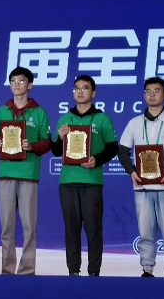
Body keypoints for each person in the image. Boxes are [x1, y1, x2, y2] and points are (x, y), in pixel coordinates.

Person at [118, 77, 164, 278]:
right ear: (144, 95)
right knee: (145, 232)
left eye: (157, 91)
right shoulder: (134, 123)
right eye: (148, 91)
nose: (152, 95)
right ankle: (147, 268)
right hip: (142, 186)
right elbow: (122, 152)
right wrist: (132, 172)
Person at [51, 75, 119, 276]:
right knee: (71, 229)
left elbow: (113, 147)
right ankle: (73, 270)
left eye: (85, 88)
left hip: (92, 181)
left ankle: (94, 271)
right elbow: (55, 151)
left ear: (93, 93)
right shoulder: (65, 118)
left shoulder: (102, 118)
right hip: (68, 182)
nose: (80, 91)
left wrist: (96, 160)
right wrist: (60, 137)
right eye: (77, 88)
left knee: (93, 229)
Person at [0, 67, 52, 275]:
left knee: (29, 227)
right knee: (6, 227)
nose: (17, 84)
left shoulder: (39, 112)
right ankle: (7, 270)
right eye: (13, 81)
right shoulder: (2, 111)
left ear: (30, 85)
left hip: (28, 175)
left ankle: (27, 270)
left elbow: (47, 142)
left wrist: (31, 146)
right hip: (5, 174)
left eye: (21, 80)